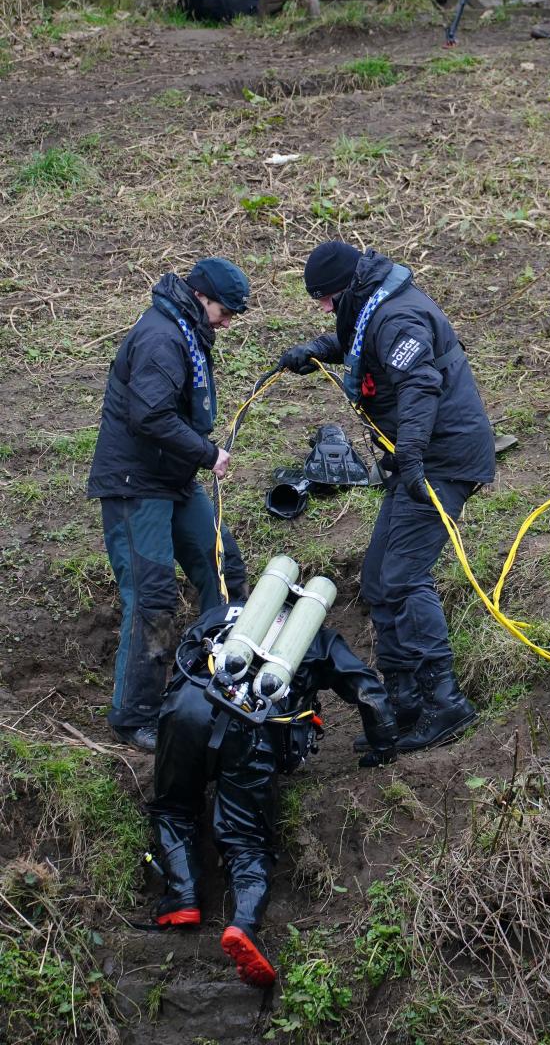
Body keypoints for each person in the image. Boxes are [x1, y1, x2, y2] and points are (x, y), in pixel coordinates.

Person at [278, 242, 496, 752]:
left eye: (328, 300)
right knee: (378, 578)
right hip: (419, 459)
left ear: (348, 287)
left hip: (440, 460)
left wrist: (414, 458)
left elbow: (421, 384)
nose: (327, 309)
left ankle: (444, 703)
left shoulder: (398, 317)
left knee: (402, 577)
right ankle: (404, 703)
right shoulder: (374, 303)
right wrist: (317, 350)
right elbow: (357, 343)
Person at [149, 600, 399, 987]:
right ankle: (243, 926)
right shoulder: (318, 639)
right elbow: (368, 692)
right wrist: (383, 746)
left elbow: (183, 655)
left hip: (187, 708)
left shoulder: (221, 613)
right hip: (251, 725)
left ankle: (182, 897)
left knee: (174, 808)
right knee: (247, 842)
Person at [87, 258, 251, 752]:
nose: (228, 321)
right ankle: (134, 716)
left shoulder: (186, 330)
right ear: (202, 297)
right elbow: (151, 415)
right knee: (153, 596)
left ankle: (216, 683)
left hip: (173, 479)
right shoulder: (162, 336)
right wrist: (207, 453)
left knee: (223, 568)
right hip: (137, 486)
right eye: (226, 311)